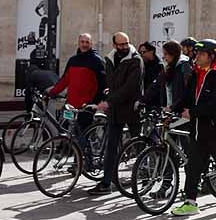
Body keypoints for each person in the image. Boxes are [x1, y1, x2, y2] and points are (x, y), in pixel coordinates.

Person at [171, 39, 216, 215]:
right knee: (193, 165)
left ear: (211, 56)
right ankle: (190, 202)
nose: (197, 56)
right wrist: (173, 109)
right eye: (197, 53)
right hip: (198, 128)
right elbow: (187, 96)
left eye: (202, 54)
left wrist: (193, 112)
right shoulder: (196, 73)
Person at [88, 32, 143, 196]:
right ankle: (107, 182)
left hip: (131, 108)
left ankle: (146, 175)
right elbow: (112, 83)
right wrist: (108, 95)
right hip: (116, 110)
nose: (124, 47)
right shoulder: (110, 59)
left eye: (126, 43)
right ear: (114, 45)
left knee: (138, 143)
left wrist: (109, 101)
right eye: (121, 44)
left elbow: (130, 87)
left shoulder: (135, 59)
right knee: (111, 146)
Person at [46, 33, 107, 148]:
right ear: (78, 43)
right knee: (72, 132)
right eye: (82, 42)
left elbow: (103, 84)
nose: (84, 44)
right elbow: (64, 80)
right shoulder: (73, 60)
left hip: (86, 105)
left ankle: (82, 161)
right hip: (71, 105)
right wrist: (51, 92)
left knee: (84, 134)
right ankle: (77, 160)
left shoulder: (97, 60)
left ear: (91, 44)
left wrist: (95, 103)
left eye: (87, 42)